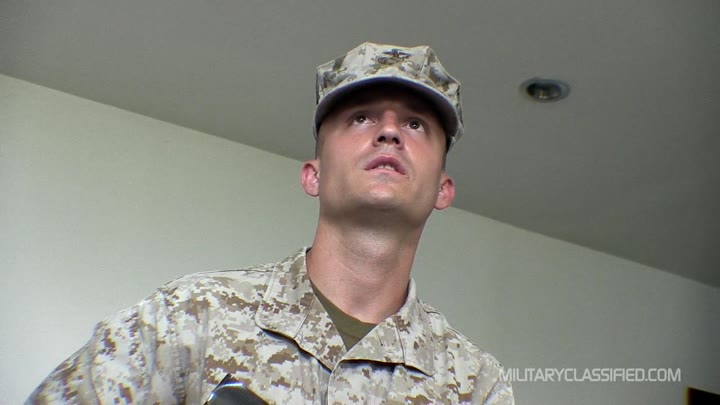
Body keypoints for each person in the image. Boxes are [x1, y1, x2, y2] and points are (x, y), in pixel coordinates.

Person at [28, 42, 514, 404]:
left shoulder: (473, 383)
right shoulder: (192, 318)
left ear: (443, 189)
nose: (389, 131)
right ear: (313, 175)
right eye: (361, 118)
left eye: (415, 124)